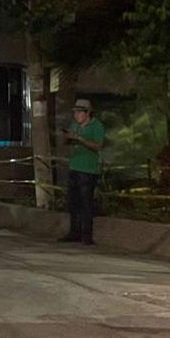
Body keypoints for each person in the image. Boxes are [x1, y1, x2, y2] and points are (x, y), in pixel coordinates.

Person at [60, 98, 106, 246]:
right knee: (73, 202)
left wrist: (80, 138)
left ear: (87, 113)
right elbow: (67, 142)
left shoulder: (96, 126)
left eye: (79, 112)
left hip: (88, 170)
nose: (76, 115)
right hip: (74, 167)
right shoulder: (75, 125)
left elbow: (98, 146)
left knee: (86, 203)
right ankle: (74, 232)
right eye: (75, 113)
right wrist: (68, 137)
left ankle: (87, 235)